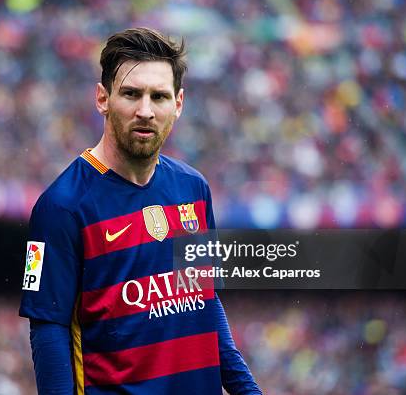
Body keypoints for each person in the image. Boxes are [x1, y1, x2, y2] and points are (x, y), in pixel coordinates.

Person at [19, 27, 261, 394]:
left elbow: (205, 302)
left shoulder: (193, 189)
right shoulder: (61, 208)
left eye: (159, 96)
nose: (145, 110)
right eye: (131, 94)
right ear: (103, 98)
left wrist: (247, 390)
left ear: (178, 104)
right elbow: (48, 331)